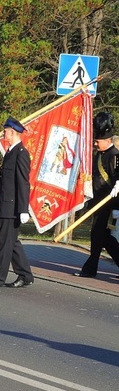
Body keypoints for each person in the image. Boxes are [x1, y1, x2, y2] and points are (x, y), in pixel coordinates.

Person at [0, 117, 35, 288]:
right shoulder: (10, 152)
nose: (3, 133)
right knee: (12, 242)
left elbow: (22, 182)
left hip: (12, 207)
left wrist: (23, 209)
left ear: (12, 132)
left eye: (5, 130)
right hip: (4, 204)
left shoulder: (21, 153)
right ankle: (25, 275)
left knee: (5, 242)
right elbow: (4, 183)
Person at [74, 112, 119, 277]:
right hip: (97, 201)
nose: (95, 143)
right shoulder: (98, 154)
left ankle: (90, 269)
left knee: (97, 234)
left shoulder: (115, 155)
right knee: (104, 237)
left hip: (108, 203)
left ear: (108, 140)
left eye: (98, 141)